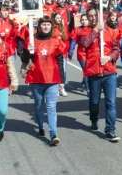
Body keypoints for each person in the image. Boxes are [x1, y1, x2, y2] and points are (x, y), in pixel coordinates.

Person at [78, 7, 121, 142]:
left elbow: (116, 48)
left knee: (111, 103)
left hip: (109, 72)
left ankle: (110, 130)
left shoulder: (110, 31)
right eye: (89, 16)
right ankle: (94, 119)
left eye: (94, 16)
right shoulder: (84, 32)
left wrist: (109, 58)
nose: (92, 18)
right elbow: (84, 43)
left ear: (100, 16)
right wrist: (96, 30)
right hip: (93, 72)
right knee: (94, 102)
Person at [21, 17, 64, 145]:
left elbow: (60, 62)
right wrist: (28, 51)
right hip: (36, 78)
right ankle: (41, 126)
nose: (45, 27)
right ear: (39, 26)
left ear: (51, 27)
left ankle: (53, 134)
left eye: (48, 25)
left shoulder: (56, 41)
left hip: (52, 78)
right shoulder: (31, 40)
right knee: (39, 106)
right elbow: (24, 59)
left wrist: (62, 80)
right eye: (43, 25)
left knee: (51, 107)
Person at [68, 14, 91, 92]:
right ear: (80, 21)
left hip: (91, 52)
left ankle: (84, 83)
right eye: (83, 20)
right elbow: (73, 42)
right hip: (82, 52)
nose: (84, 21)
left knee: (91, 70)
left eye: (86, 19)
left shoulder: (92, 29)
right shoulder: (77, 30)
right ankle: (89, 89)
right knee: (86, 70)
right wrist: (70, 53)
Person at [52, 12, 70, 97]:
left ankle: (62, 87)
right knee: (55, 71)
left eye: (60, 18)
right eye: (57, 18)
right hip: (54, 54)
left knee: (63, 71)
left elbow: (67, 40)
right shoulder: (52, 29)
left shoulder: (63, 28)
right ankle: (56, 88)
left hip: (63, 54)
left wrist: (66, 50)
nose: (59, 20)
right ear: (53, 19)